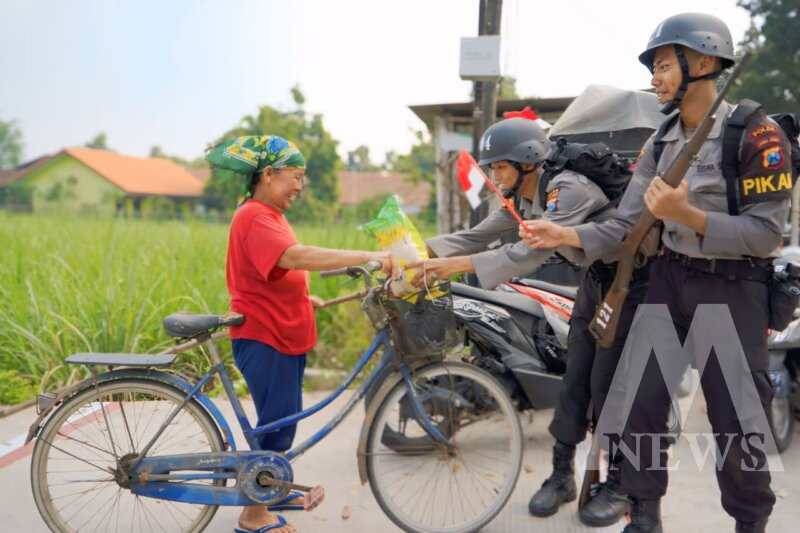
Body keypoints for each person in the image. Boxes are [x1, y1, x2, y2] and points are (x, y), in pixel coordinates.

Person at [521, 13, 792, 533]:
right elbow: (627, 226)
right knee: (638, 407)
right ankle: (644, 519)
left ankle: (750, 523)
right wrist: (567, 236)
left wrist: (688, 216)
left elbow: (763, 235)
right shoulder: (662, 139)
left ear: (705, 62)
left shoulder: (758, 135)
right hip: (669, 281)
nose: (655, 78)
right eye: (655, 68)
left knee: (737, 427)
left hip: (732, 290)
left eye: (664, 65)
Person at [409, 117, 637, 525]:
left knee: (607, 386)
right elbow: (477, 235)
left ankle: (619, 484)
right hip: (595, 282)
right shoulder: (523, 196)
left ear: (528, 161)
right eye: (491, 168)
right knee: (574, 381)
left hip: (629, 287)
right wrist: (415, 253)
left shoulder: (567, 191)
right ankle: (561, 475)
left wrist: (450, 267)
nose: (494, 175)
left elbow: (526, 255)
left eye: (499, 166)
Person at [207, 135, 398, 533]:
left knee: (281, 422)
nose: (300, 186)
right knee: (276, 427)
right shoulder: (255, 215)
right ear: (268, 174)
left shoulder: (269, 214)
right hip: (265, 333)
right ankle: (253, 515)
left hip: (280, 327)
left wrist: (300, 300)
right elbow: (293, 257)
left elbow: (271, 271)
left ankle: (270, 489)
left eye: (303, 179)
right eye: (295, 176)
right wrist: (369, 257)